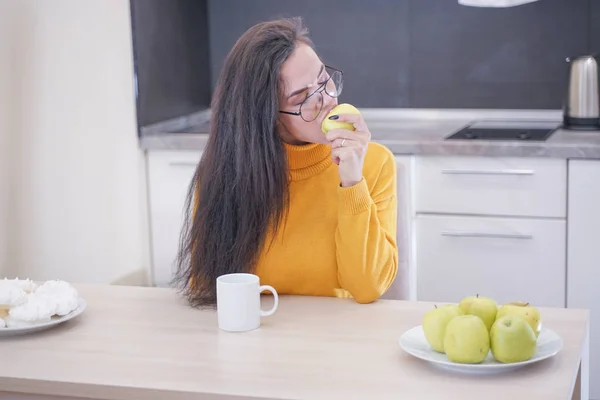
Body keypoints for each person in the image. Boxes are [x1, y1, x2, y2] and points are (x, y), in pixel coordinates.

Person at [173, 17, 398, 307]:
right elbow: (209, 288)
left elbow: (368, 288)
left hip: (335, 341)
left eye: (323, 79)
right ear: (265, 116)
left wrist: (352, 181)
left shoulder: (373, 163)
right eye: (303, 97)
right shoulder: (225, 173)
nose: (327, 99)